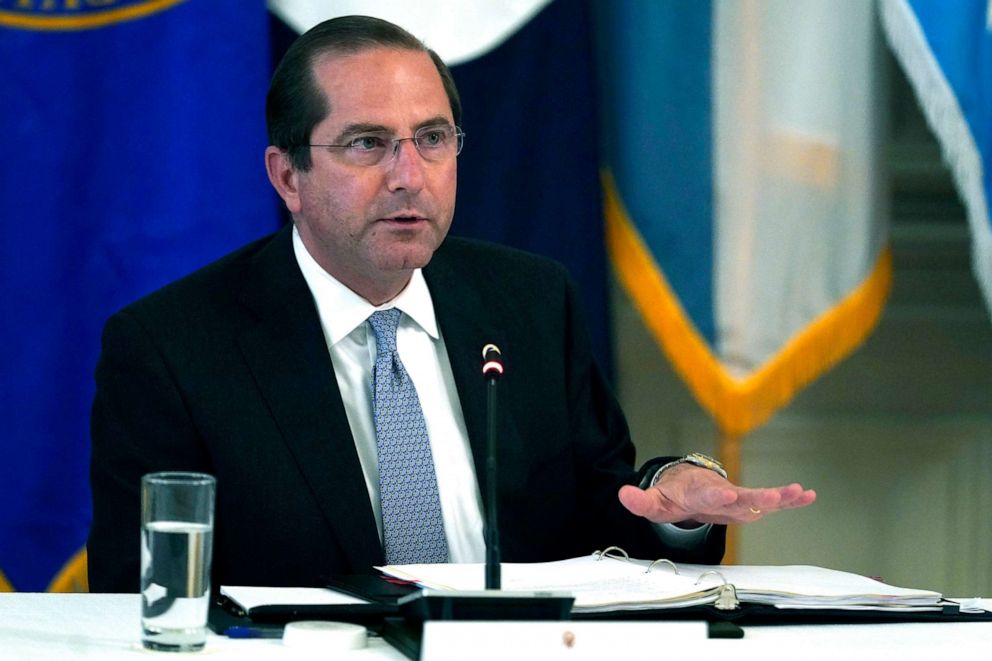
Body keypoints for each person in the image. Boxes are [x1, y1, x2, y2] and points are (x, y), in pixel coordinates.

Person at [87, 15, 815, 593]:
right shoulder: (173, 348)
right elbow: (141, 596)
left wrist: (671, 499)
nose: (410, 175)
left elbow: (603, 516)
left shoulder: (530, 301)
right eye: (368, 144)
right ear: (288, 176)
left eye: (432, 139)